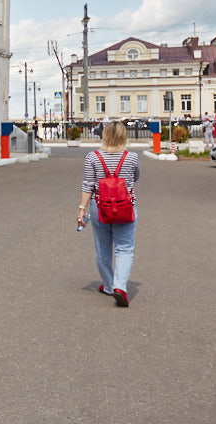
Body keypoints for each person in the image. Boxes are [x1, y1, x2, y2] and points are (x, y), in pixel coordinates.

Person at [77, 121, 141, 307]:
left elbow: (87, 184)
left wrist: (82, 209)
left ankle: (108, 285)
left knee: (102, 248)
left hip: (100, 207)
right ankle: (120, 287)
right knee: (125, 248)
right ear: (123, 136)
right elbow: (135, 178)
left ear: (104, 135)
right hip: (125, 207)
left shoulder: (92, 157)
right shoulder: (132, 157)